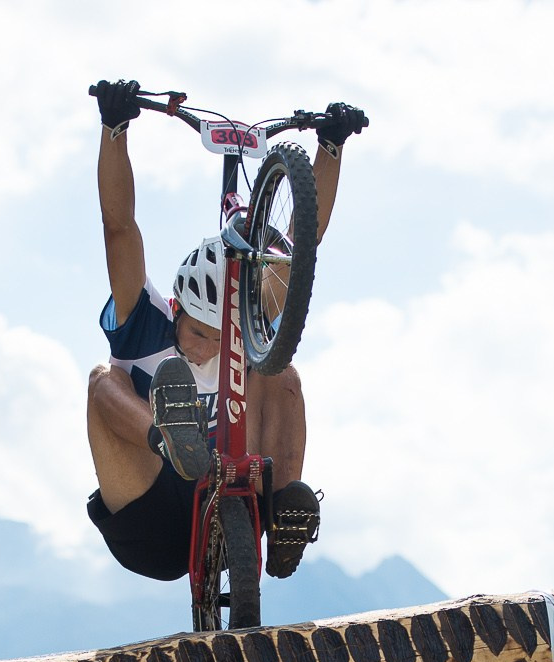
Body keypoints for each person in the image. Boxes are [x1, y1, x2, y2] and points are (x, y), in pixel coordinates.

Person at [84, 78, 367, 585]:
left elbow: (304, 242)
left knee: (280, 371)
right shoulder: (144, 318)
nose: (205, 348)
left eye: (219, 336)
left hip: (228, 493)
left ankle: (283, 519)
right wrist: (115, 126)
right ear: (175, 309)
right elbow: (118, 226)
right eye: (195, 332)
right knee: (104, 379)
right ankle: (167, 436)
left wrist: (331, 146)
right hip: (147, 517)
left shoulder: (248, 326)